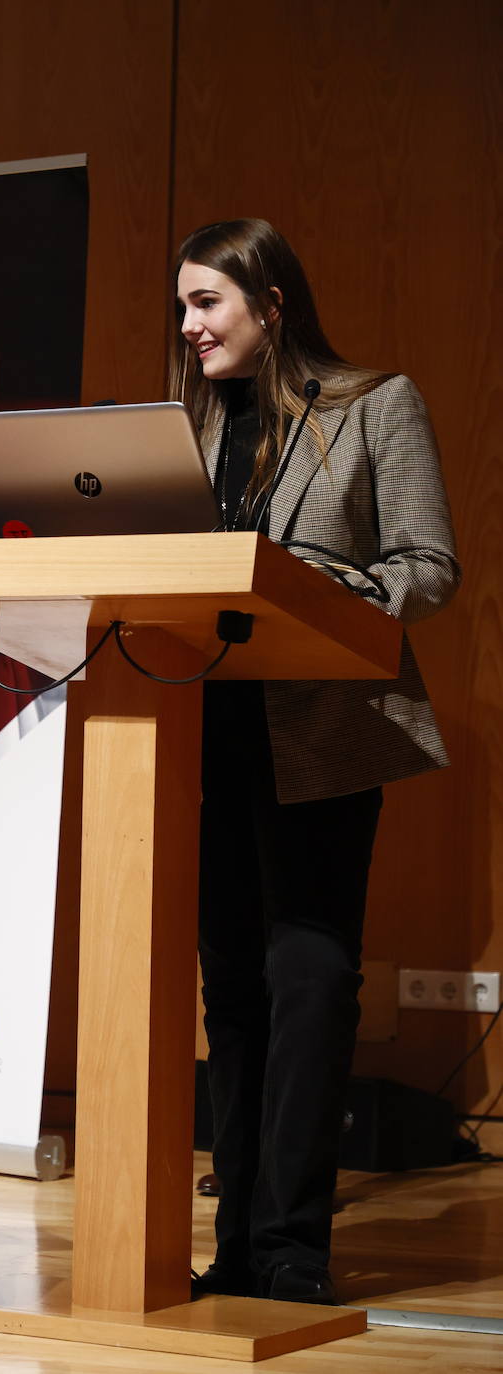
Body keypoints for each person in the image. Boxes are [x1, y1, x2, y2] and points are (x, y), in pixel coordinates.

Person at [172, 220, 460, 1305]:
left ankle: (291, 1245)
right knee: (232, 990)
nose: (190, 326)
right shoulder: (192, 437)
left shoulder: (375, 404)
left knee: (309, 977)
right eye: (184, 307)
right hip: (207, 729)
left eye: (208, 303)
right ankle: (236, 1244)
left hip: (325, 731)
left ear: (272, 300)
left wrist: (314, 586)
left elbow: (427, 568)